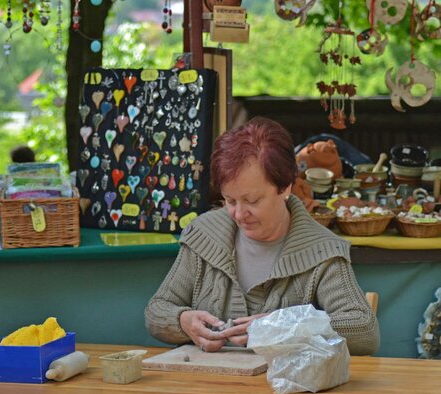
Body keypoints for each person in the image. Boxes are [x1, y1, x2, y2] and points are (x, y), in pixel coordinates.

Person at [145, 117, 379, 356]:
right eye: (230, 200)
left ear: (286, 186)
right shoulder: (203, 234)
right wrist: (183, 320)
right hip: (203, 388)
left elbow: (363, 331)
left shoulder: (322, 250)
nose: (239, 213)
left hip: (284, 391)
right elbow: (157, 310)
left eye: (252, 200)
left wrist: (289, 326)